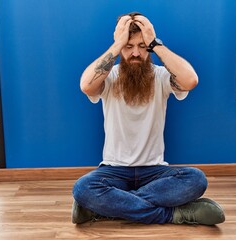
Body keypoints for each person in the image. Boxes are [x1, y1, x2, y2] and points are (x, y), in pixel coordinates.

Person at [72, 12, 225, 225]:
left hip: (155, 171)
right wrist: (117, 45)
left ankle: (107, 209)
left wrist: (155, 43)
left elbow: (190, 80)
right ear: (120, 46)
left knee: (196, 179)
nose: (135, 53)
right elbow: (86, 85)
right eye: (128, 46)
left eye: (142, 46)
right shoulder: (110, 77)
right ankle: (176, 214)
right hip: (113, 170)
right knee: (83, 188)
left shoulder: (161, 76)